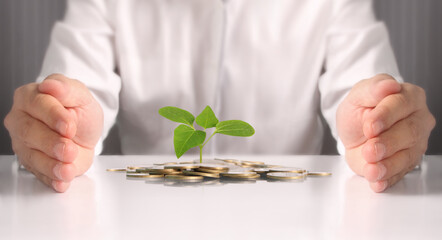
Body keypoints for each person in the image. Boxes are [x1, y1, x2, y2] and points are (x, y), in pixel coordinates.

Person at [4, 0, 435, 193]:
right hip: (150, 217)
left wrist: (376, 121)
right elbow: (78, 86)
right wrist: (62, 121)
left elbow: (360, 86)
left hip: (292, 218)